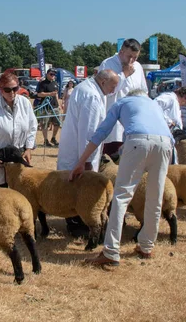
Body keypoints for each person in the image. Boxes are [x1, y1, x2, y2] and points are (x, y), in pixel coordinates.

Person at [69, 89, 173, 266]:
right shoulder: (154, 104)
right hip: (165, 144)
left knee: (121, 197)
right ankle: (147, 246)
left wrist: (81, 161)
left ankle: (110, 252)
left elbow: (101, 133)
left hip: (138, 141)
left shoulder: (122, 102)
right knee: (155, 197)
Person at [57, 70, 120, 237]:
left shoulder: (85, 88)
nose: (113, 91)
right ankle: (77, 224)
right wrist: (86, 161)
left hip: (74, 149)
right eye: (113, 86)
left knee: (71, 188)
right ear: (104, 81)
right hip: (79, 153)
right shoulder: (91, 96)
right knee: (78, 189)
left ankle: (75, 221)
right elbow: (88, 132)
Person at [0, 71, 37, 187]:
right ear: (0, 90)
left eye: (15, 89)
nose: (12, 92)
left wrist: (29, 148)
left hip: (19, 158)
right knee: (2, 200)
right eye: (7, 90)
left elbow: (32, 127)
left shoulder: (25, 103)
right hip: (0, 162)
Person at [98, 38, 148, 156]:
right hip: (113, 121)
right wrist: (124, 74)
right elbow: (106, 91)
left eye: (135, 57)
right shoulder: (108, 64)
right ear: (121, 52)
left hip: (132, 121)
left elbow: (143, 91)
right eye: (129, 56)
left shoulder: (138, 67)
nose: (131, 60)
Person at [36, 68, 61, 147]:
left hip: (55, 106)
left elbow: (56, 94)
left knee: (57, 123)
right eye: (51, 74)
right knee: (45, 124)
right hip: (46, 107)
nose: (53, 76)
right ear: (47, 74)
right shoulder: (43, 83)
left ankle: (53, 138)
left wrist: (59, 104)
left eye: (54, 74)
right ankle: (45, 140)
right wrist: (50, 94)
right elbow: (39, 94)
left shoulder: (55, 83)